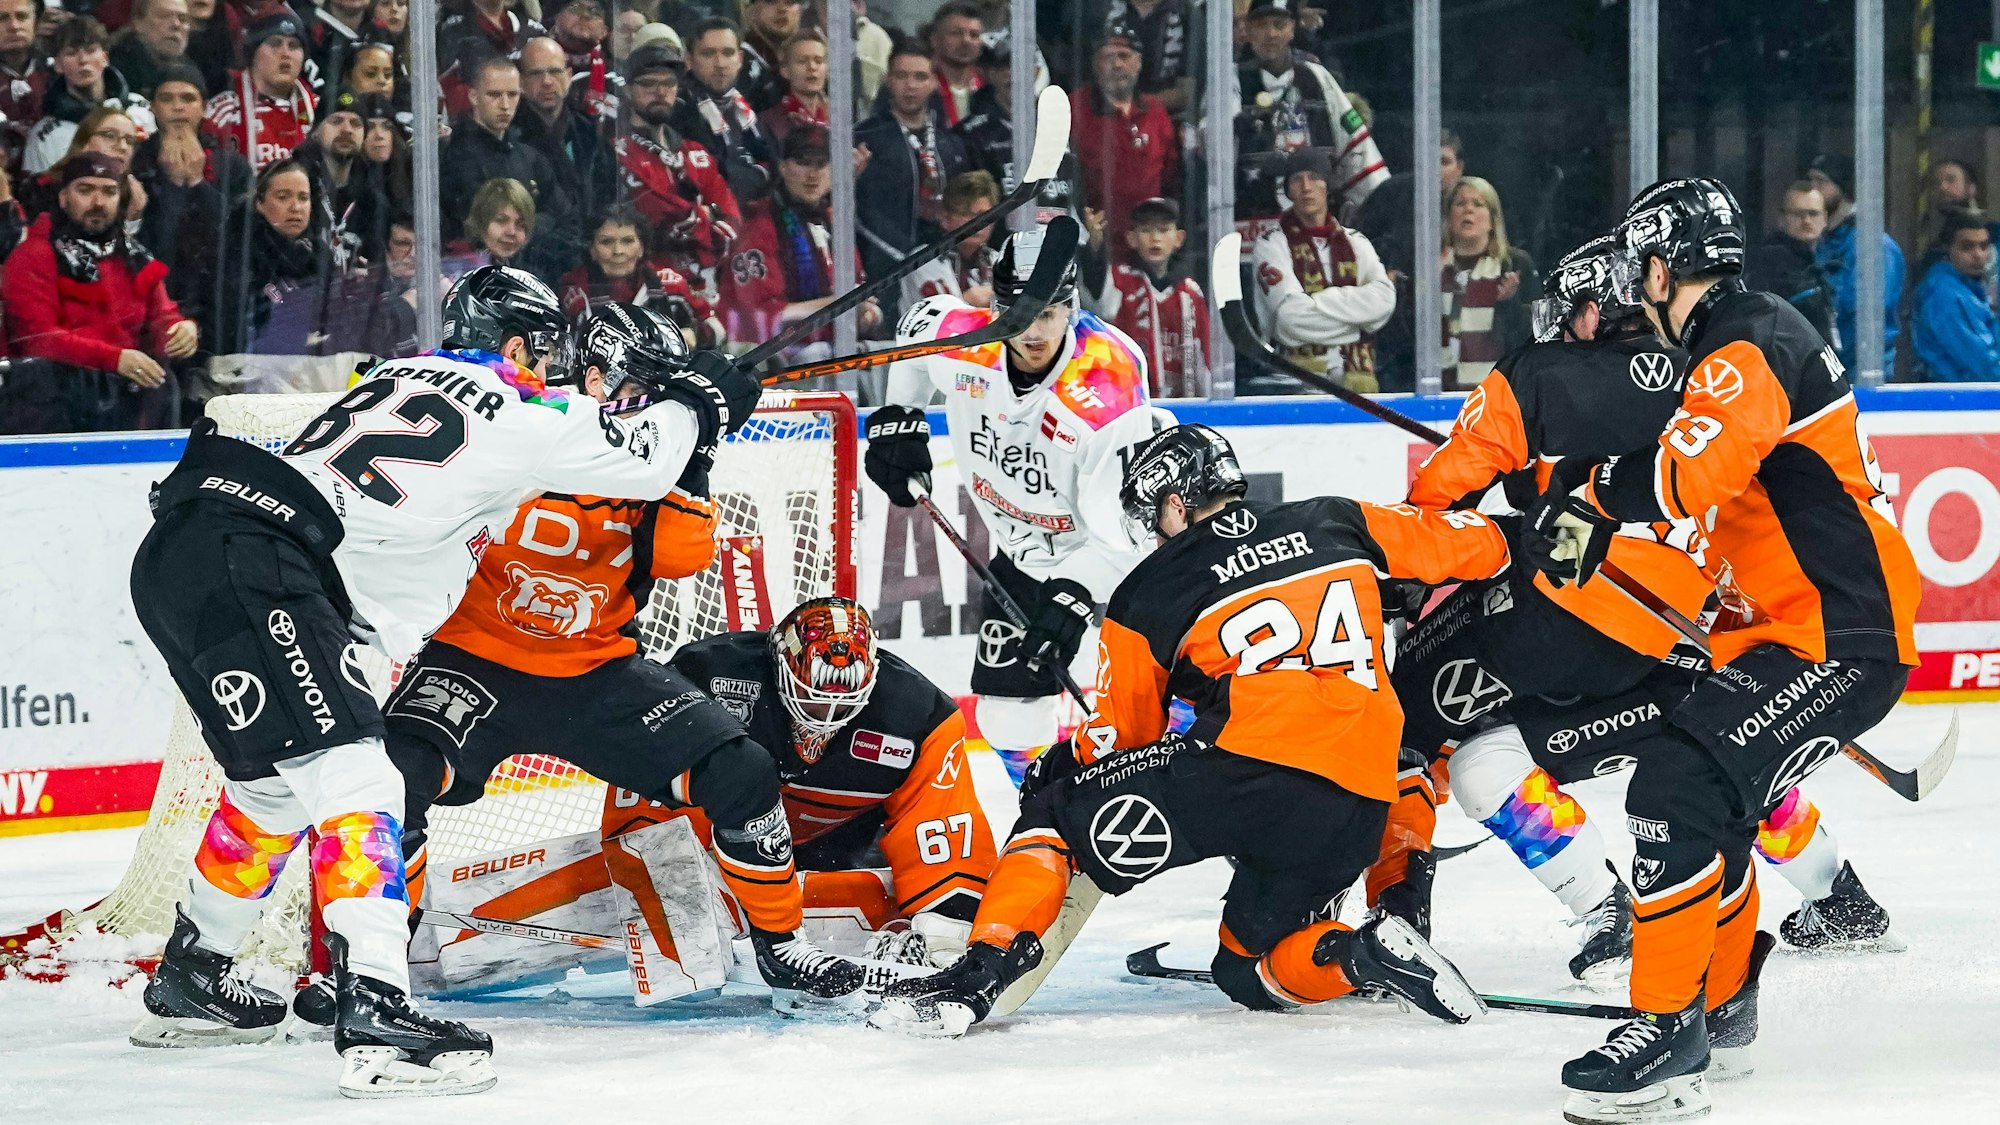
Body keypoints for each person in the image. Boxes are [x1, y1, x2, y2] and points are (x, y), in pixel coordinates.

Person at [124, 265, 751, 1095]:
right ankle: (379, 1006)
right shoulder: (524, 410)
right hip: (256, 559)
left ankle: (194, 971)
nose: (555, 369)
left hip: (191, 547)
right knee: (363, 777)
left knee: (272, 792)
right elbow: (646, 463)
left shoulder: (390, 374)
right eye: (547, 351)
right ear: (519, 344)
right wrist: (698, 402)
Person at [270, 301, 872, 1023]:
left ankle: (782, 941)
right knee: (389, 779)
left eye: (661, 390)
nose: (651, 404)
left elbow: (683, 554)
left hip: (598, 672)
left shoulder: (651, 451)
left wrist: (698, 448)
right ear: (590, 374)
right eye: (639, 387)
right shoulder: (525, 421)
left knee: (740, 770)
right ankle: (371, 967)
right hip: (474, 663)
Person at [871, 423, 1500, 1036]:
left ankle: (974, 979)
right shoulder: (1337, 518)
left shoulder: (1151, 587)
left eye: (1154, 518)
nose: (1153, 535)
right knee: (1246, 970)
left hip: (1245, 771)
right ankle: (1364, 952)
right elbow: (1481, 547)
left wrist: (1064, 763)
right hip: (1362, 793)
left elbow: (1127, 735)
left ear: (1177, 499)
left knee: (1055, 813)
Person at [1393, 235, 1890, 987]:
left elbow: (1452, 489)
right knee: (1720, 758)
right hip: (1703, 632)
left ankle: (1592, 912)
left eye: (1568, 313)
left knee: (1468, 753)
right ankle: (1841, 896)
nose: (1560, 328)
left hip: (1573, 624)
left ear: (1594, 309)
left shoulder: (1543, 373)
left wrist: (1417, 558)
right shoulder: (1717, 367)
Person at [1528, 178, 1920, 1123]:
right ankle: (1718, 1004)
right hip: (1795, 630)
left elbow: (1688, 472)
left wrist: (1590, 498)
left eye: (1642, 272)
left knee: (1676, 784)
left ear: (1663, 266)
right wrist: (1585, 500)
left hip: (1835, 633)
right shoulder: (1738, 338)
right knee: (1716, 803)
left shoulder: (1748, 336)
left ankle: (1669, 1030)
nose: (1637, 292)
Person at [870, 223, 1158, 784]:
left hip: (1121, 557)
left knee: (1158, 692)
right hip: (1022, 553)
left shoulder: (1105, 387)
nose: (1032, 330)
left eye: (1048, 313)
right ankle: (1040, 814)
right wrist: (898, 419)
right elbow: (915, 329)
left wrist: (1073, 597)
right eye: (1018, 313)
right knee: (1005, 714)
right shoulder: (966, 342)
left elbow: (1127, 533)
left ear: (1071, 308)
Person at [630, 597, 999, 974]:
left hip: (839, 853)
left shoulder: (922, 717)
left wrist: (948, 933)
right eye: (813, 697)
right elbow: (646, 785)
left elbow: (941, 828)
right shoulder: (705, 675)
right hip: (718, 851)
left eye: (845, 701)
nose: (829, 713)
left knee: (936, 908)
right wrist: (661, 882)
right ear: (778, 666)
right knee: (646, 860)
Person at [2, 151, 194, 433]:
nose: (98, 202)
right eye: (85, 190)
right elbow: (38, 340)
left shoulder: (134, 256)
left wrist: (181, 330)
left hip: (125, 406)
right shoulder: (33, 255)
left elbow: (162, 318)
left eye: (109, 191)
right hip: (49, 411)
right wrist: (116, 359)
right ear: (63, 198)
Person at [716, 124, 878, 353]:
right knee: (818, 354)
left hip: (828, 347)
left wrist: (867, 314)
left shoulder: (834, 223)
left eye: (821, 164)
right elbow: (766, 318)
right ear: (783, 167)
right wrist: (843, 304)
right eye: (802, 162)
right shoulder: (758, 226)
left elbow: (860, 291)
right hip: (768, 359)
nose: (812, 174)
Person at [1250, 147, 1392, 395]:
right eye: (1297, 180)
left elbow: (1385, 300)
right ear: (1288, 190)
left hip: (1361, 389)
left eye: (1314, 177)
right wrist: (1358, 326)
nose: (1306, 187)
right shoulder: (1271, 243)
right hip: (1297, 388)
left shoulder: (1356, 242)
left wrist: (1317, 303)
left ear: (1328, 184)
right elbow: (1289, 320)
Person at [1231, 0, 1386, 226]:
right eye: (1262, 25)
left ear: (1292, 29)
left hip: (1316, 226)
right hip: (1253, 226)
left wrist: (1380, 206)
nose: (1271, 33)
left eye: (1279, 24)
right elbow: (1213, 146)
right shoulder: (1230, 79)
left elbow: (1355, 144)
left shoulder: (1317, 77)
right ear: (1248, 29)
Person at [610, 42, 742, 286]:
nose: (660, 92)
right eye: (648, 83)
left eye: (669, 83)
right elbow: (660, 219)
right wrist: (706, 215)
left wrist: (697, 219)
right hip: (651, 286)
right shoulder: (617, 152)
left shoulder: (696, 152)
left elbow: (732, 221)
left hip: (712, 283)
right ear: (628, 91)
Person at [439, 55, 577, 272]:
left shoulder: (530, 155)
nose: (505, 105)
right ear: (474, 96)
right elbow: (470, 226)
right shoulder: (453, 158)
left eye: (512, 95)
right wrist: (530, 225)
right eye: (494, 95)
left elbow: (563, 213)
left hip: (532, 270)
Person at [854, 45, 969, 285]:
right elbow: (860, 212)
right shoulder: (864, 137)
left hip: (943, 266)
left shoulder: (951, 142)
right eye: (901, 76)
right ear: (888, 80)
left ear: (934, 83)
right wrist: (902, 258)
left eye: (920, 77)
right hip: (883, 270)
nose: (911, 85)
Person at [1085, 195, 1207, 397]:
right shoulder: (1119, 280)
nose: (1155, 238)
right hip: (1129, 402)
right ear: (1131, 238)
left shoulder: (1190, 292)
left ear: (1179, 238)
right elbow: (1099, 303)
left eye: (1163, 229)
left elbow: (1205, 358)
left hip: (1183, 405)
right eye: (1146, 230)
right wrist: (1094, 249)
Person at [210, 157, 332, 357]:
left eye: (303, 198)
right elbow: (240, 328)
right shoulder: (238, 252)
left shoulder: (319, 253)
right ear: (259, 203)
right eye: (283, 197)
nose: (296, 207)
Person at [1070, 23, 1177, 250]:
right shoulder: (1074, 108)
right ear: (1095, 64)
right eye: (1108, 57)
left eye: (1124, 56)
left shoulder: (1156, 112)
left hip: (1148, 247)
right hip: (1096, 247)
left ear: (1138, 62)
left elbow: (1170, 174)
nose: (1117, 64)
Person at [558, 205, 725, 347]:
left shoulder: (670, 285)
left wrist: (695, 335)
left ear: (642, 248)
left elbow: (717, 330)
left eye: (628, 241)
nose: (618, 251)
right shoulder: (572, 293)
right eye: (606, 242)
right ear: (592, 250)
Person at [1806, 152, 1905, 377]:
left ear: (1843, 187)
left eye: (1821, 182)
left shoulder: (1874, 245)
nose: (1813, 189)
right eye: (1810, 181)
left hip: (1862, 372)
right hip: (1829, 368)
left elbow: (1869, 317)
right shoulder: (1822, 241)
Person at [1440, 175, 1537, 391]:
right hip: (1441, 397)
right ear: (1448, 217)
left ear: (1493, 220)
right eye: (1460, 203)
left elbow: (1530, 342)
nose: (1468, 210)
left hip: (1496, 397)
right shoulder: (1432, 268)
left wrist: (1509, 304)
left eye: (1478, 204)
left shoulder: (1513, 266)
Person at [23, 16, 154, 174]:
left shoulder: (140, 108)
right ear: (57, 64)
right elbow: (36, 191)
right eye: (72, 53)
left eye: (91, 50)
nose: (83, 60)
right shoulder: (45, 135)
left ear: (105, 58)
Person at [672, 19, 775, 204]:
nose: (720, 63)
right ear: (689, 60)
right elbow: (709, 180)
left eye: (728, 53)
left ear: (740, 59)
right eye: (708, 54)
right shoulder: (678, 111)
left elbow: (775, 167)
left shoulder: (751, 108)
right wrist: (755, 176)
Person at [203, 8, 315, 172]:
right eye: (275, 43)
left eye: (294, 45)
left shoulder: (317, 110)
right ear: (253, 52)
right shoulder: (224, 111)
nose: (286, 54)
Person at [516, 36, 613, 220]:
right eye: (536, 73)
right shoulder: (511, 136)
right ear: (521, 83)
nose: (547, 81)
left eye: (555, 72)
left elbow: (608, 195)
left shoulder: (589, 131)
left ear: (569, 76)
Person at [1742, 179, 1836, 347]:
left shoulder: (1829, 260)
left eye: (1813, 214)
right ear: (1782, 218)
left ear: (1825, 218)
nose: (1806, 221)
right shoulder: (1768, 262)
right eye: (1798, 214)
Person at [1912, 209, 2000, 382]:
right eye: (1967, 247)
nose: (1978, 255)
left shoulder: (1971, 289)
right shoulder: (1944, 294)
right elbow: (1982, 364)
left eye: (1984, 246)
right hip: (1955, 398)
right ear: (1947, 249)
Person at [903, 169, 997, 309]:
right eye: (966, 214)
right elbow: (942, 317)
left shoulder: (998, 259)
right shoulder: (923, 260)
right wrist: (968, 300)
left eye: (983, 215)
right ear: (945, 218)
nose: (976, 223)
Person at [0, 0, 52, 163]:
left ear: (36, 23)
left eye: (22, 17)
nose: (14, 26)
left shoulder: (59, 73)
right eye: (2, 18)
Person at [759, 28, 827, 148]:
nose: (812, 67)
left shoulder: (839, 116)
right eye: (802, 61)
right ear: (785, 71)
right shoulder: (769, 123)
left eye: (818, 61)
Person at [108, 0, 190, 97]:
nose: (176, 24)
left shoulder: (192, 69)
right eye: (164, 16)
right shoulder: (115, 73)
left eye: (183, 19)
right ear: (138, 23)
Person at [926, 0, 984, 126]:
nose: (966, 41)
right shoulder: (921, 87)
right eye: (956, 33)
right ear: (935, 40)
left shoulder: (988, 89)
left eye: (974, 35)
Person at [736, 0, 799, 112]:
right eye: (771, 1)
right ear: (750, 10)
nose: (782, 9)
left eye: (790, 1)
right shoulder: (737, 64)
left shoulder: (807, 63)